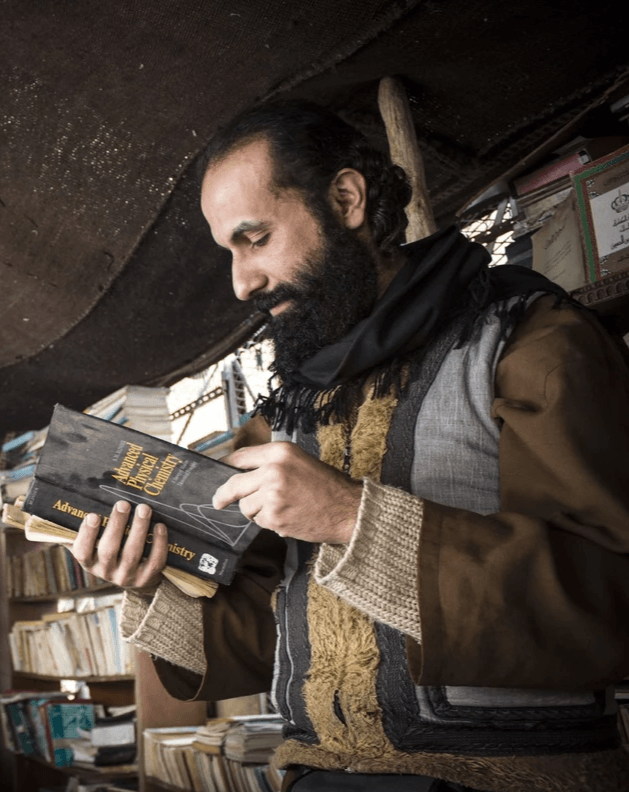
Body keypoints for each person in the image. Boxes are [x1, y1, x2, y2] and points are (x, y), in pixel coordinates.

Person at [71, 101, 629, 792]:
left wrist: (349, 516)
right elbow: (276, 633)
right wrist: (150, 578)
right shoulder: (293, 403)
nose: (242, 283)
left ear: (345, 199)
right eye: (229, 252)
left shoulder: (533, 341)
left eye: (256, 238)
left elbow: (609, 608)